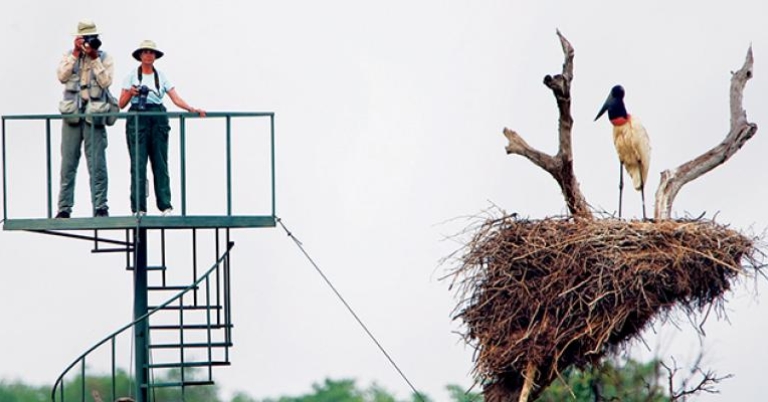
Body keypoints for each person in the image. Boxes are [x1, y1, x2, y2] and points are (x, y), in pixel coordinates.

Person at [118, 39, 205, 216]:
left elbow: (175, 97)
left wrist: (191, 108)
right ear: (140, 55)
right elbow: (121, 103)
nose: (148, 55)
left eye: (151, 52)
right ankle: (139, 208)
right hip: (137, 117)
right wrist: (131, 92)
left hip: (158, 117)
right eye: (145, 52)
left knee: (160, 162)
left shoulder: (162, 76)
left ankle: (165, 205)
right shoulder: (130, 76)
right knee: (138, 163)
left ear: (155, 56)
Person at [55, 19, 114, 218]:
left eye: (93, 37)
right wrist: (75, 54)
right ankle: (64, 208)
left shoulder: (104, 57)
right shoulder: (69, 56)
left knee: (97, 164)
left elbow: (106, 81)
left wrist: (94, 58)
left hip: (94, 118)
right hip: (72, 116)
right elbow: (62, 77)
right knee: (68, 164)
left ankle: (100, 206)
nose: (90, 41)